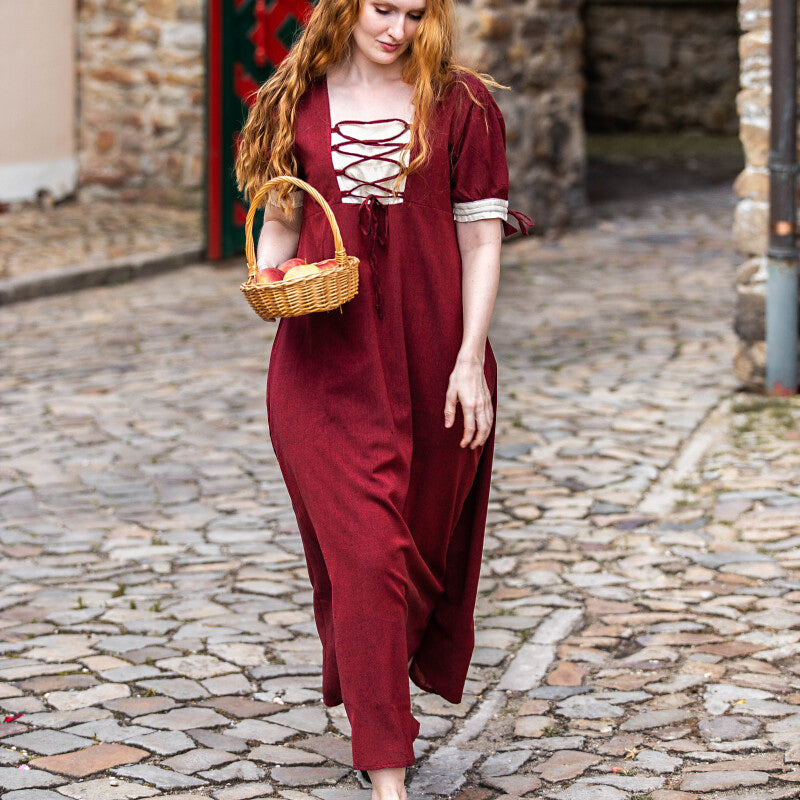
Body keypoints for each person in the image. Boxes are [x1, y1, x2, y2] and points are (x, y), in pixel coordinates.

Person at [235, 1, 531, 797]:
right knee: (367, 555)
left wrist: (469, 360)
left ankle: (374, 678)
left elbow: (481, 239)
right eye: (382, 8)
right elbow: (282, 224)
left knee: (414, 559)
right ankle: (388, 768)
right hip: (322, 366)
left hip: (437, 359)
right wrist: (272, 276)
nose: (397, 28)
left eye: (414, 12)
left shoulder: (462, 104)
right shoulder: (292, 100)